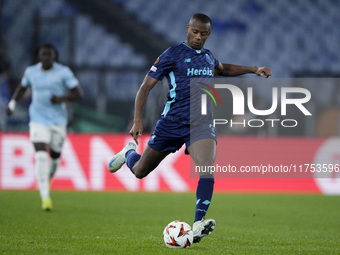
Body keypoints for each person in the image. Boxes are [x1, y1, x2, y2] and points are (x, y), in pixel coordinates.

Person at [108, 13, 271, 243]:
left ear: (209, 35)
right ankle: (128, 154)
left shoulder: (207, 57)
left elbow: (223, 69)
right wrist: (137, 120)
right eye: (195, 32)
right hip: (171, 123)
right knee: (140, 171)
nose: (198, 37)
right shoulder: (172, 54)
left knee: (206, 168)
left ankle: (197, 225)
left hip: (201, 123)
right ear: (187, 29)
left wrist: (254, 69)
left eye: (203, 34)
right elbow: (145, 87)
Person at [6, 43, 83, 211]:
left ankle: (44, 182)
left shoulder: (63, 72)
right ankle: (45, 197)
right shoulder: (31, 72)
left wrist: (61, 99)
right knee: (41, 156)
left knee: (54, 160)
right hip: (37, 120)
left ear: (54, 56)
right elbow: (22, 87)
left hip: (58, 122)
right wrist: (12, 103)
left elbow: (78, 93)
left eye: (49, 54)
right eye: (44, 54)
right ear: (39, 56)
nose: (47, 57)